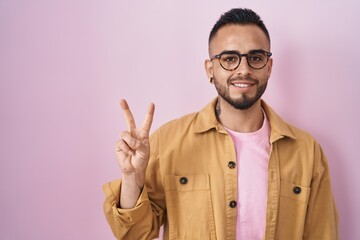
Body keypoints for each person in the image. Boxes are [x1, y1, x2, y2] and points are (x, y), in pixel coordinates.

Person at [103, 8, 338, 240]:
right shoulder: (167, 142)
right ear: (210, 69)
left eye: (255, 58)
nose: (243, 70)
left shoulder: (307, 152)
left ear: (269, 67)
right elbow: (134, 234)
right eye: (229, 59)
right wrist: (132, 178)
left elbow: (323, 234)